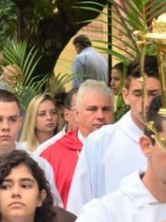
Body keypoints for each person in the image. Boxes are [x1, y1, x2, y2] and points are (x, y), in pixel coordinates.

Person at [67, 57, 162, 214]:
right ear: (125, 95)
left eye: (153, 94)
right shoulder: (100, 142)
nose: (146, 103)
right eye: (138, 93)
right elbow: (79, 205)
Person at [40, 80, 113, 209]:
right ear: (77, 115)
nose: (100, 116)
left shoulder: (124, 147)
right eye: (92, 109)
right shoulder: (50, 155)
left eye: (106, 109)